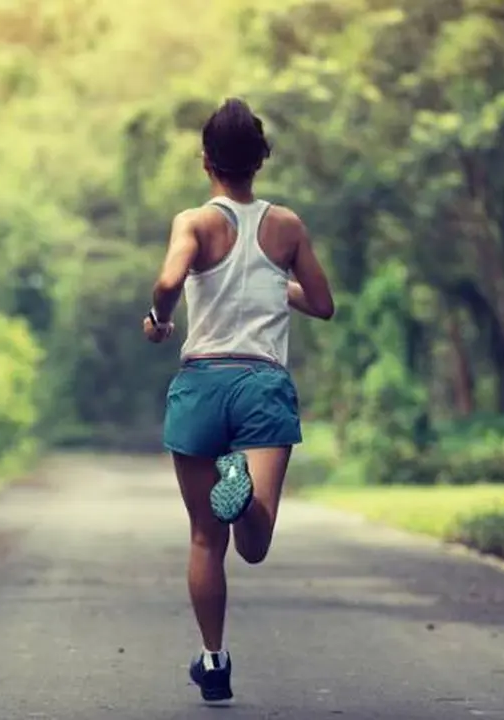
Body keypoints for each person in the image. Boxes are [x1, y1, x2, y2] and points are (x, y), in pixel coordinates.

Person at [141, 97, 335, 704]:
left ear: (206, 161)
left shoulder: (194, 223)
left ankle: (214, 660)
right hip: (261, 384)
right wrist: (277, 282)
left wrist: (159, 319)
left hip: (202, 384)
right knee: (253, 545)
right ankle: (243, 495)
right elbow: (323, 304)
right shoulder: (287, 226)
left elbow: (169, 281)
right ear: (261, 159)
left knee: (206, 538)